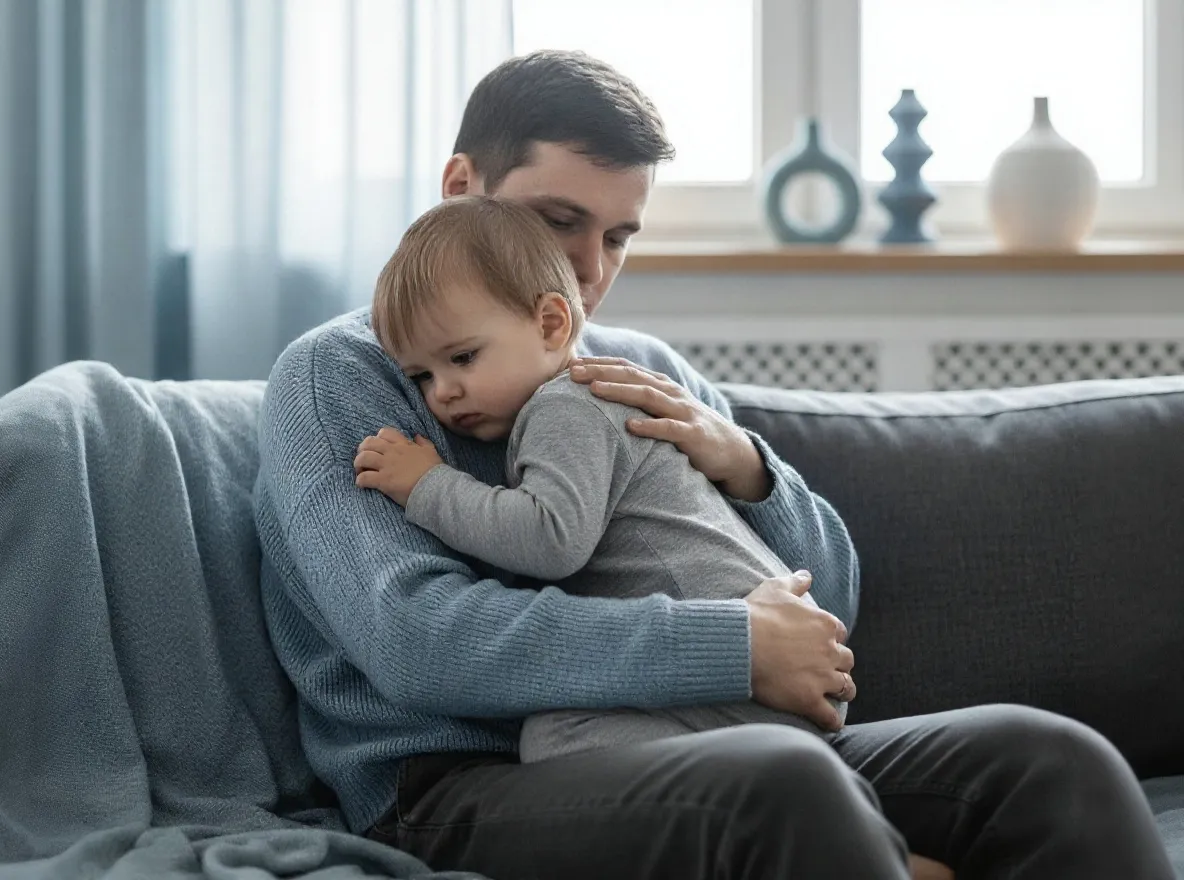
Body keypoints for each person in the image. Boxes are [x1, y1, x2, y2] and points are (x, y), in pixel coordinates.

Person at [254, 49, 1175, 880]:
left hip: (720, 733)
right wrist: (731, 646)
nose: (585, 270)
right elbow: (421, 643)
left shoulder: (642, 373)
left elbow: (824, 611)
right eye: (559, 220)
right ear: (461, 187)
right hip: (451, 787)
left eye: (617, 237)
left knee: (1051, 760)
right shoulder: (342, 377)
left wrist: (746, 466)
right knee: (782, 785)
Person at [354, 193, 848, 765]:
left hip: (751, 677)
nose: (442, 392)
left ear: (550, 323)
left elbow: (550, 539)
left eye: (462, 358)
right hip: (751, 679)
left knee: (557, 739)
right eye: (421, 376)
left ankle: (813, 833)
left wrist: (427, 486)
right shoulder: (580, 399)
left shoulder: (568, 407)